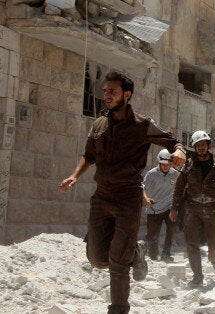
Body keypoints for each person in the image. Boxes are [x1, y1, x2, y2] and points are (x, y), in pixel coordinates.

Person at [59, 71, 186, 314]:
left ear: (126, 95)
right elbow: (89, 155)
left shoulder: (142, 125)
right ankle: (136, 252)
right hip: (102, 198)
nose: (106, 95)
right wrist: (75, 175)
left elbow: (172, 142)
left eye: (112, 92)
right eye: (105, 91)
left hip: (128, 198)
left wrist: (180, 150)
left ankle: (118, 309)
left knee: (118, 262)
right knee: (97, 258)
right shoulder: (99, 125)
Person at [170, 130, 215, 288]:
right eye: (197, 145)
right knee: (191, 243)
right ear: (194, 147)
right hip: (192, 208)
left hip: (212, 209)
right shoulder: (189, 164)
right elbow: (179, 187)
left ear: (208, 146)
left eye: (203, 145)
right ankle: (197, 276)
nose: (200, 148)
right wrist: (174, 208)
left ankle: (213, 258)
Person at [142, 149, 179, 262]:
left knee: (172, 229)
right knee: (153, 236)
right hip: (154, 209)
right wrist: (146, 199)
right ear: (159, 163)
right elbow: (142, 187)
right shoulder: (152, 174)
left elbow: (182, 186)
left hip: (168, 207)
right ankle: (153, 256)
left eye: (168, 165)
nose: (166, 167)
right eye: (164, 165)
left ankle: (166, 254)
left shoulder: (175, 173)